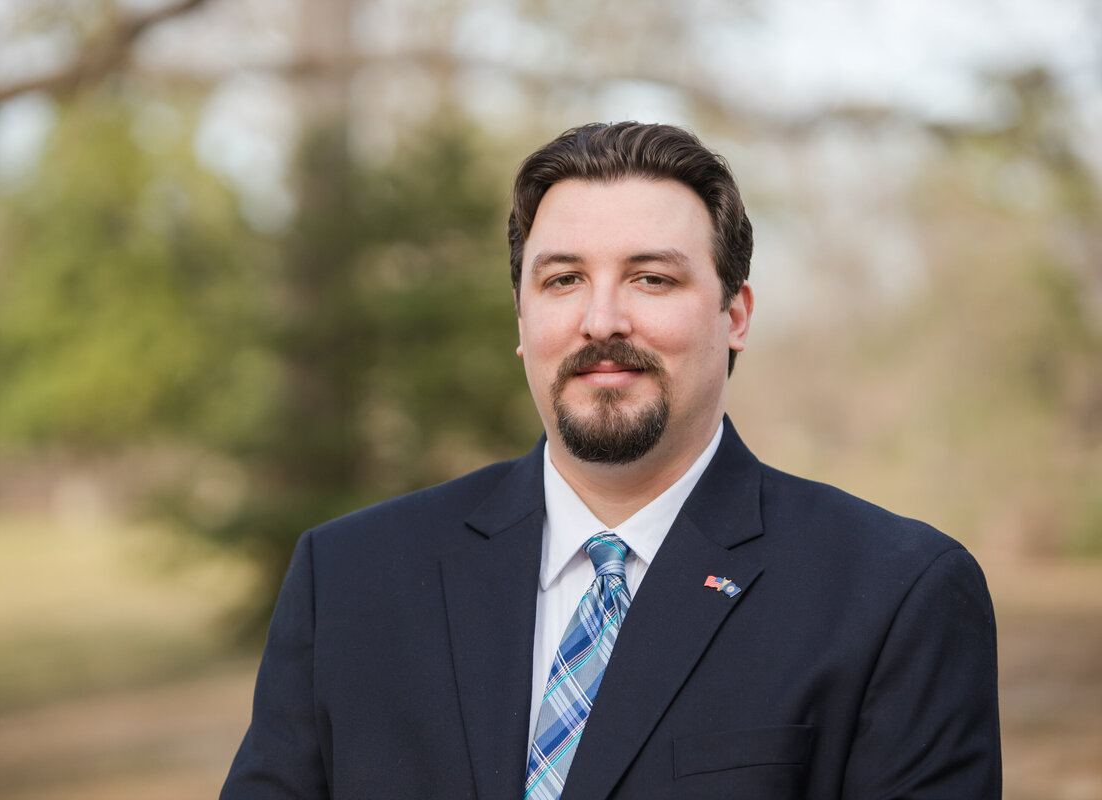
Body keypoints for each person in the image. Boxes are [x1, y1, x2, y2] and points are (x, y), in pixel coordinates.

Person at [220, 122, 1001, 799]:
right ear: (523, 320)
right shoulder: (351, 577)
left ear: (735, 314)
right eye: (563, 280)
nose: (601, 320)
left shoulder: (895, 595)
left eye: (650, 278)